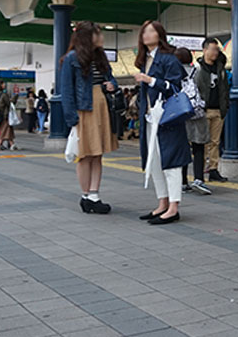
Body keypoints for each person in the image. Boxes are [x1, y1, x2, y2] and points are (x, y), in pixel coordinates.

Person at [60, 21, 120, 214]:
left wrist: (111, 84)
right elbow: (66, 91)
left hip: (101, 105)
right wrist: (72, 119)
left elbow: (111, 78)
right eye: (98, 34)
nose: (101, 38)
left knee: (97, 153)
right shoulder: (71, 58)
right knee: (84, 155)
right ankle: (86, 195)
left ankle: (94, 194)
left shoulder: (100, 57)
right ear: (88, 37)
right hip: (83, 109)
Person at [134, 21, 191, 225]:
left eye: (151, 31)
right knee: (155, 161)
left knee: (171, 161)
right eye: (144, 32)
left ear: (160, 35)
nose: (146, 35)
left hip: (168, 118)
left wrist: (150, 80)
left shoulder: (169, 59)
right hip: (151, 117)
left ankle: (173, 207)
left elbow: (175, 87)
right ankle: (162, 203)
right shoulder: (145, 60)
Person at [176, 47, 211, 196]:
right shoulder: (198, 72)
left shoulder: (174, 74)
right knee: (199, 148)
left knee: (183, 148)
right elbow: (205, 91)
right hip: (198, 114)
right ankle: (198, 179)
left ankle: (183, 181)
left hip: (182, 115)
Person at [199, 38, 229, 182]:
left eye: (217, 49)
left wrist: (225, 106)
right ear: (205, 50)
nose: (216, 52)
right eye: (213, 49)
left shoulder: (220, 68)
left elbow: (225, 88)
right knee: (203, 142)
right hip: (204, 110)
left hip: (218, 110)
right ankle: (200, 170)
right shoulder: (199, 69)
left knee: (215, 142)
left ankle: (213, 169)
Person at [0, 79, 17, 151]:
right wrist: (15, 98)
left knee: (6, 130)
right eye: (3, 84)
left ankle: (11, 144)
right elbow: (9, 104)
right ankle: (0, 145)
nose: (4, 85)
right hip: (4, 115)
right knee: (5, 130)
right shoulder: (4, 95)